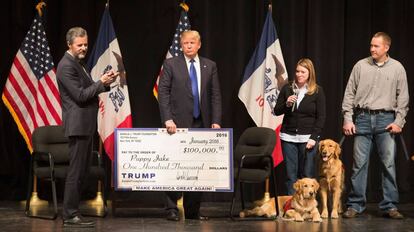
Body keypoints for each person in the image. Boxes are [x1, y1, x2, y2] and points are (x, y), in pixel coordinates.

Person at [342, 32, 409, 219]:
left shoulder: (397, 68)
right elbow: (349, 94)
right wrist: (348, 118)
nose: (372, 49)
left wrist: (398, 121)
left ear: (386, 47)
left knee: (388, 164)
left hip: (386, 120)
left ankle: (389, 205)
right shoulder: (360, 66)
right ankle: (355, 204)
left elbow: (403, 98)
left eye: (376, 46)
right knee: (359, 165)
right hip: (362, 118)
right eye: (371, 45)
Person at [56, 27, 118, 228]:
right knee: (76, 171)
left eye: (85, 44)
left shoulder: (78, 63)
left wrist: (106, 83)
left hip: (85, 125)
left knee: (82, 171)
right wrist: (100, 82)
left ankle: (74, 211)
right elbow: (81, 95)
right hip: (78, 125)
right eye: (79, 45)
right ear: (69, 44)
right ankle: (69, 214)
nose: (83, 48)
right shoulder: (66, 66)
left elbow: (90, 90)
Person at [158, 30, 222, 221]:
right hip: (176, 125)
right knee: (174, 167)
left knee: (196, 169)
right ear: (181, 44)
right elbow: (163, 93)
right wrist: (167, 118)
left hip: (201, 124)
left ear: (199, 44)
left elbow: (215, 95)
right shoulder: (171, 64)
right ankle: (171, 208)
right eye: (185, 43)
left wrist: (216, 121)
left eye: (192, 43)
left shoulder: (210, 65)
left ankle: (193, 210)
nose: (189, 46)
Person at [274, 58, 326, 195]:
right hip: (288, 137)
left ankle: (308, 208)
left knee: (307, 174)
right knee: (291, 175)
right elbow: (276, 111)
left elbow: (321, 117)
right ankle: (292, 206)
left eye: (303, 72)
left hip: (308, 139)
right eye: (297, 71)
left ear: (310, 73)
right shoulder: (287, 88)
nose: (299, 74)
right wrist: (286, 104)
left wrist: (313, 138)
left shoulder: (317, 91)